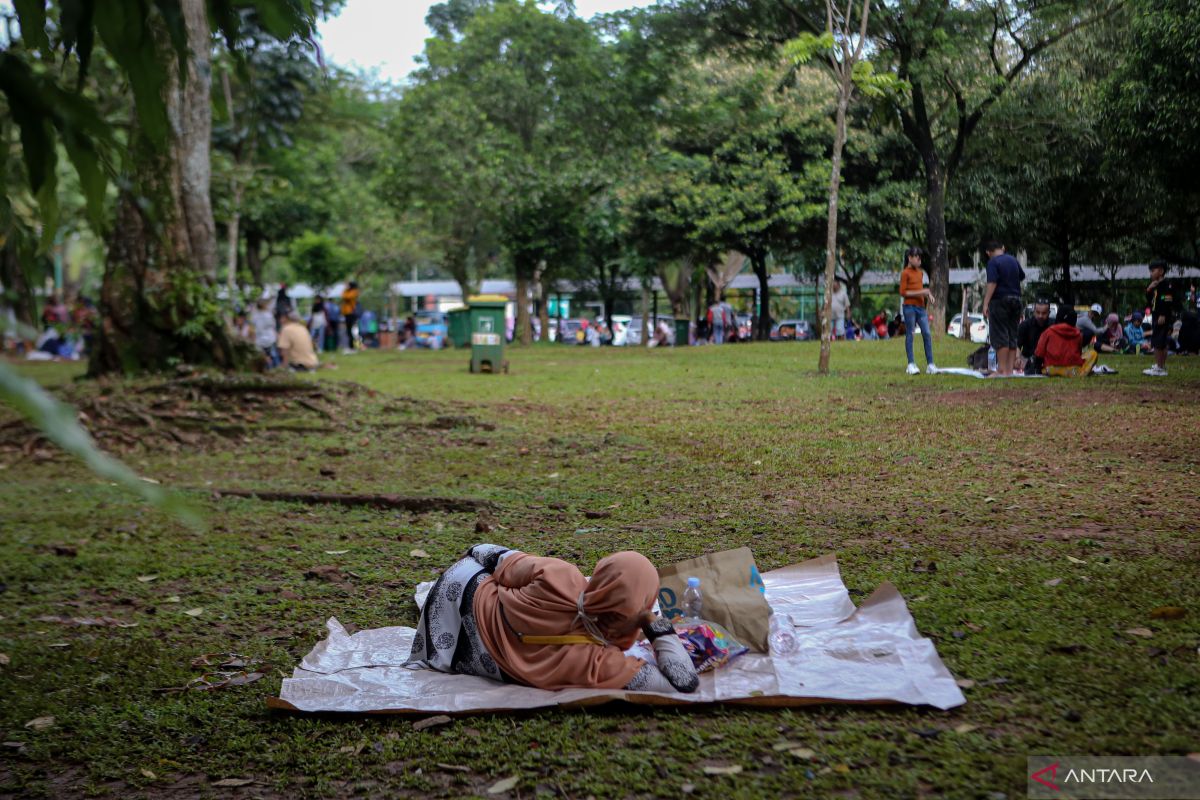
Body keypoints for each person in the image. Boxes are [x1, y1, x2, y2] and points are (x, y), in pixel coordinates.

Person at [406, 544, 699, 694]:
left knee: (508, 569)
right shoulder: (599, 664)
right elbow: (683, 683)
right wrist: (652, 623)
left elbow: (486, 553)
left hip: (458, 593)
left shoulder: (560, 576)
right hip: (463, 654)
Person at [981, 241, 1025, 376]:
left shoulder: (993, 262)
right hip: (1016, 300)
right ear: (1003, 248)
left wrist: (986, 303)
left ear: (988, 252)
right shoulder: (1013, 260)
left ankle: (1000, 370)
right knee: (1012, 335)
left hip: (1000, 301)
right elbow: (1021, 276)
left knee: (1001, 335)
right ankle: (1009, 371)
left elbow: (992, 282)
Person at [898, 247, 936, 374]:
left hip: (921, 308)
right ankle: (911, 364)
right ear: (910, 258)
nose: (919, 259)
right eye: (916, 256)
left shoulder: (920, 273)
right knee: (911, 333)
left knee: (927, 333)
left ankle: (930, 364)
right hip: (909, 307)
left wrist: (928, 295)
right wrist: (923, 291)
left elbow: (920, 289)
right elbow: (903, 292)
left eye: (920, 257)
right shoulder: (905, 273)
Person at [1144, 258, 1181, 377]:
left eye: (1153, 271)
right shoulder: (1157, 285)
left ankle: (1160, 368)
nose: (1151, 273)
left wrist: (1163, 314)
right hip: (1156, 315)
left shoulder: (1166, 285)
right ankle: (1160, 365)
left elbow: (1167, 301)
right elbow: (1150, 301)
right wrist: (1149, 289)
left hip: (1162, 316)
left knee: (1158, 342)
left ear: (1161, 271)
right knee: (1160, 341)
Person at [1036, 308, 1097, 377]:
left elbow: (1039, 353)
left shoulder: (1048, 332)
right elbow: (1079, 353)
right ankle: (1081, 372)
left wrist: (1038, 368)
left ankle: (1057, 371)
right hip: (1073, 369)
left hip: (1050, 369)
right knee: (1093, 353)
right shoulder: (1078, 334)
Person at [1017, 298, 1053, 375]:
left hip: (1049, 363)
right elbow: (1017, 345)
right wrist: (1018, 359)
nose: (1040, 316)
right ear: (1033, 312)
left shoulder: (1054, 326)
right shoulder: (1025, 325)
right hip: (1028, 362)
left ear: (1049, 313)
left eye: (1044, 313)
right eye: (1038, 312)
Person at [251, 299, 278, 367]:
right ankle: (274, 367)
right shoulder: (268, 315)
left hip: (259, 340)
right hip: (270, 339)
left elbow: (253, 327)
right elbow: (273, 326)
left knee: (263, 356)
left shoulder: (255, 316)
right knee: (272, 356)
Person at [340, 281, 360, 352]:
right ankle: (351, 347)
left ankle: (354, 347)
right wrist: (345, 289)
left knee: (353, 331)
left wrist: (345, 289)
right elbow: (342, 295)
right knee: (348, 331)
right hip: (347, 313)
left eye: (348, 285)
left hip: (351, 313)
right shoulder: (348, 291)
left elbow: (346, 296)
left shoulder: (354, 291)